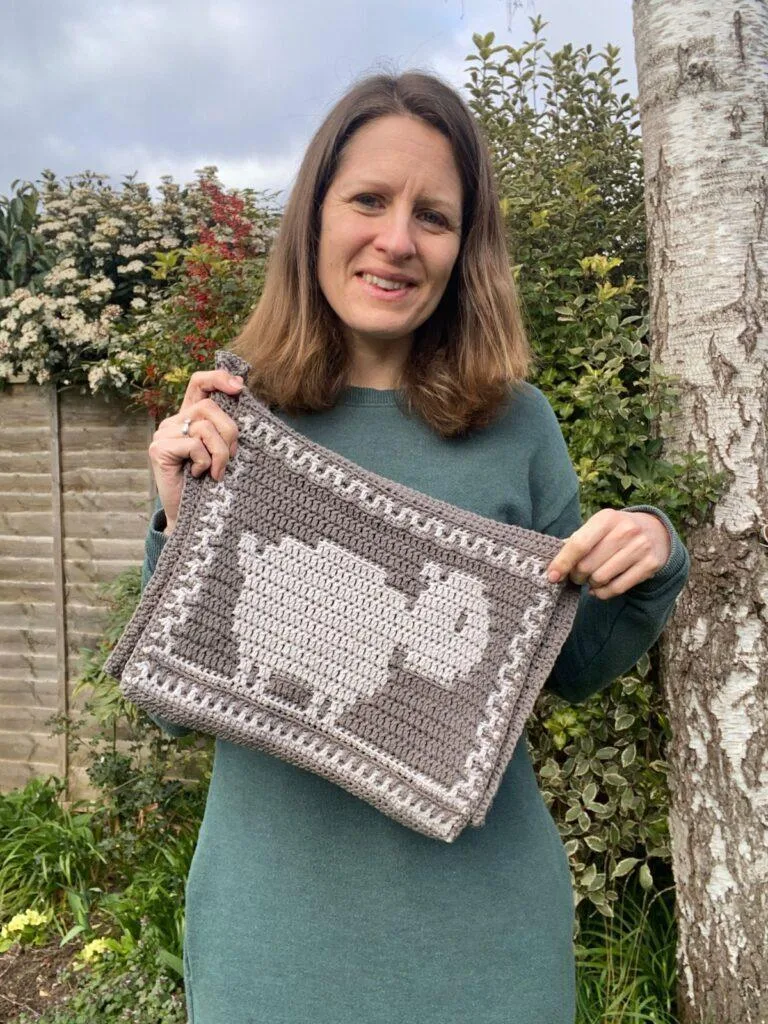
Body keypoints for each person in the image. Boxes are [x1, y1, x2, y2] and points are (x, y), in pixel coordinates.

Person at [140, 72, 689, 1024]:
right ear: (314, 216)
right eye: (368, 200)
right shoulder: (234, 418)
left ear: (463, 247)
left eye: (433, 215)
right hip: (273, 941)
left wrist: (647, 558)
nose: (397, 240)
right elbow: (176, 712)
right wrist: (177, 521)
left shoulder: (515, 425)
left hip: (484, 944)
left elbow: (572, 668)